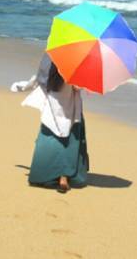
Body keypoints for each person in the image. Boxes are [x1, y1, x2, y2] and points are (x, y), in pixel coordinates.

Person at [10, 53, 89, 192]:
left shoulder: (49, 58)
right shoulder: (74, 63)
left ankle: (45, 174)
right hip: (70, 107)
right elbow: (78, 87)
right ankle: (64, 178)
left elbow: (38, 80)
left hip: (52, 109)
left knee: (50, 139)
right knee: (69, 141)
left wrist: (21, 86)